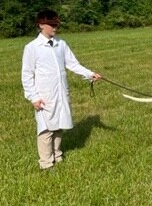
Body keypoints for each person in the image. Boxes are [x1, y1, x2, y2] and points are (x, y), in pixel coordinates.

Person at [21, 9, 102, 170]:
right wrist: (33, 97)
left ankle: (57, 155)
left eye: (56, 24)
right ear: (41, 25)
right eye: (52, 25)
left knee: (58, 126)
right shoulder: (32, 48)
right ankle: (46, 163)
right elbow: (27, 75)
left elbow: (73, 64)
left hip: (60, 93)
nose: (55, 28)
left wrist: (89, 74)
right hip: (44, 95)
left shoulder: (61, 44)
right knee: (45, 130)